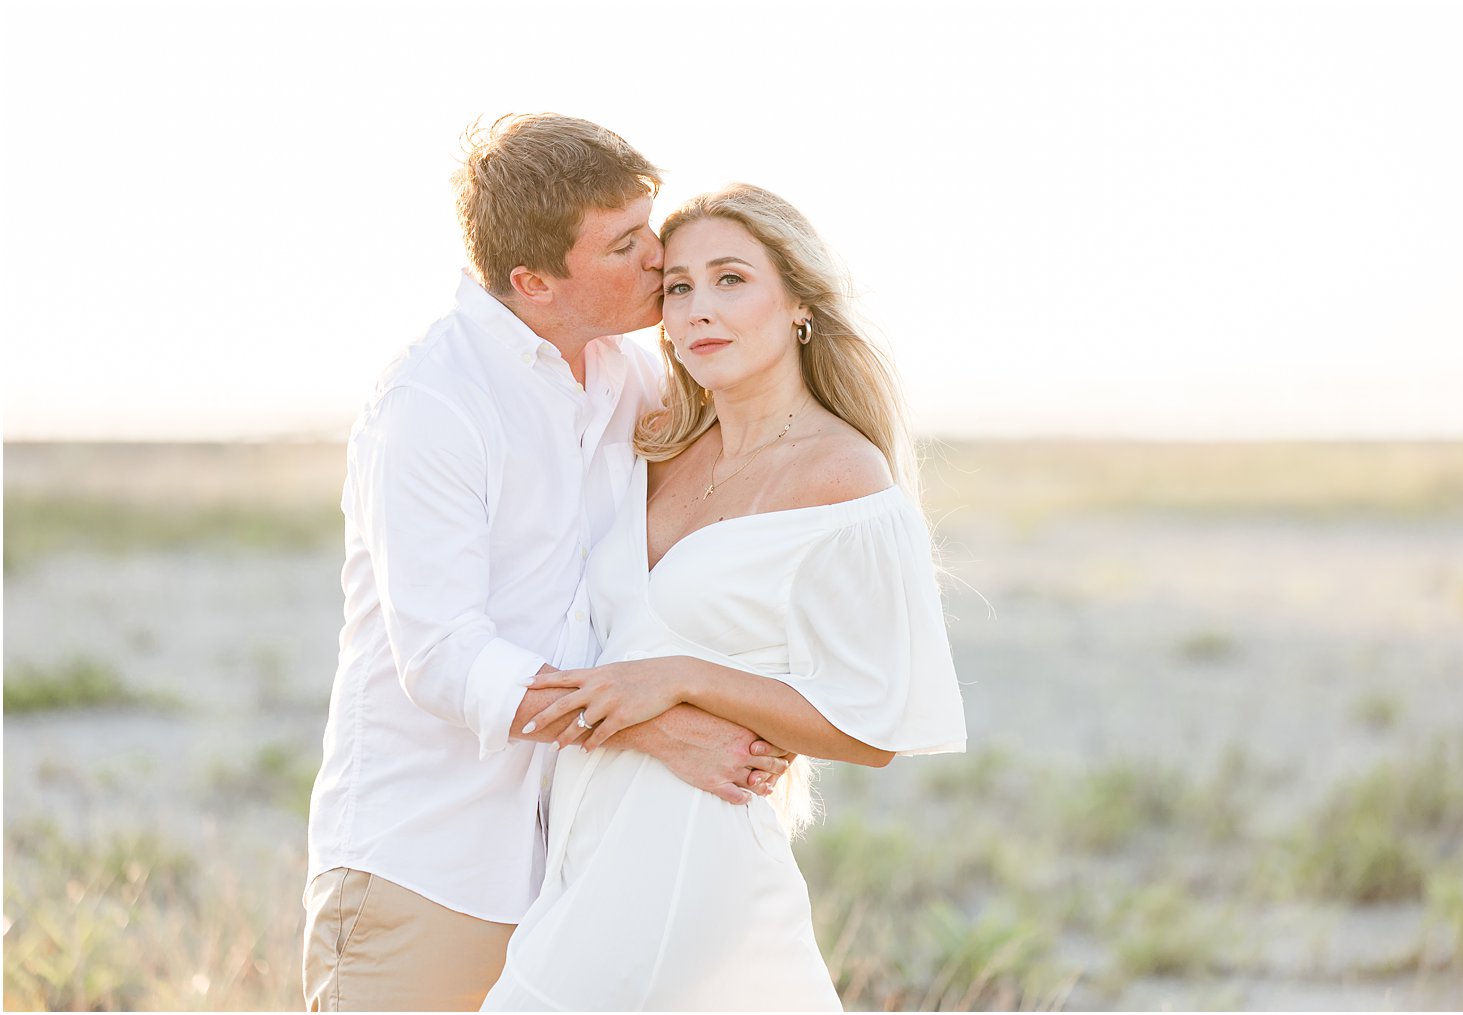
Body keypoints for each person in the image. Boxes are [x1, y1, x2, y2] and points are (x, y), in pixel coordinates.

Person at [301, 116, 794, 1012]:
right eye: (623, 244)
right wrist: (650, 726)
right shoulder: (432, 404)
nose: (658, 254)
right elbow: (445, 659)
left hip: (581, 863)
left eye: (648, 225)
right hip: (427, 866)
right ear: (533, 282)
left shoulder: (629, 380)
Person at [482, 183, 967, 1011]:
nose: (699, 308)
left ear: (799, 303)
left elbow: (875, 725)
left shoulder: (844, 479)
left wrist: (686, 678)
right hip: (583, 833)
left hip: (690, 838)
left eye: (732, 279)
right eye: (679, 287)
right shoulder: (656, 448)